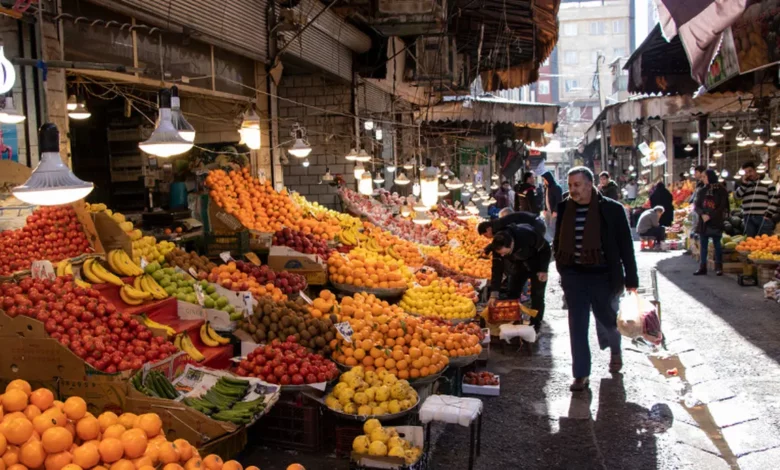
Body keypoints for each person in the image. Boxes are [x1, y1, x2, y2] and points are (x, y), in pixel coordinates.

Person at [554, 167, 638, 392]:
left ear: (590, 185)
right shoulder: (564, 208)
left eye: (577, 185)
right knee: (577, 325)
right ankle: (581, 374)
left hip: (603, 275)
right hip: (574, 276)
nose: (573, 190)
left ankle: (615, 349)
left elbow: (625, 247)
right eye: (570, 185)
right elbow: (558, 240)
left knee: (609, 321)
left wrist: (631, 280)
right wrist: (563, 269)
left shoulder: (612, 209)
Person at [487, 224, 551, 333]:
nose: (502, 255)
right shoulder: (497, 245)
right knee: (512, 291)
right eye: (500, 253)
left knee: (537, 295)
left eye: (504, 252)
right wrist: (494, 293)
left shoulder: (527, 235)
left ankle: (536, 323)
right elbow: (497, 269)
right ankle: (513, 318)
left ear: (511, 244)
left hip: (537, 263)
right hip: (519, 264)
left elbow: (545, 249)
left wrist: (543, 269)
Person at [694, 169, 730, 276]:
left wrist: (710, 216)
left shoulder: (721, 190)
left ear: (710, 177)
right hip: (704, 222)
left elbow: (722, 206)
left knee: (717, 245)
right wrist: (702, 214)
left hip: (716, 221)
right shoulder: (702, 190)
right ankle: (702, 267)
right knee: (703, 245)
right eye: (702, 177)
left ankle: (719, 267)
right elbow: (697, 205)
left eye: (705, 177)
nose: (703, 179)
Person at [735, 161, 777, 237]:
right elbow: (737, 196)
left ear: (755, 170)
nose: (748, 174)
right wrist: (744, 184)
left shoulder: (767, 181)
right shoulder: (744, 184)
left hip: (763, 217)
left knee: (764, 242)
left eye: (750, 171)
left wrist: (769, 214)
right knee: (751, 243)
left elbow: (774, 199)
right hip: (748, 218)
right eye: (746, 172)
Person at [478, 210, 543, 239]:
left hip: (535, 224)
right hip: (535, 222)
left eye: (485, 235)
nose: (486, 237)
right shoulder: (496, 224)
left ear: (488, 229)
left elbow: (507, 237)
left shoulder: (499, 225)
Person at [541, 171, 563, 241]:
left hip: (553, 212)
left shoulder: (556, 188)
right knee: (547, 227)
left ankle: (555, 241)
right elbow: (545, 199)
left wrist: (556, 211)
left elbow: (558, 200)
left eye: (545, 179)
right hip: (547, 211)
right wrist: (544, 209)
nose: (544, 181)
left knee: (553, 227)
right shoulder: (546, 188)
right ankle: (551, 241)